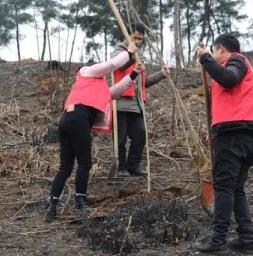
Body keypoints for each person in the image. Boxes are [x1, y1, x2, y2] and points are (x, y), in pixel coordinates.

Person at [44, 42, 144, 222]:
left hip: (67, 119)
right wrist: (129, 53)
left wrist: (134, 72)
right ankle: (80, 201)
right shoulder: (85, 72)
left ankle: (52, 204)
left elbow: (115, 91)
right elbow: (112, 65)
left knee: (65, 167)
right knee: (84, 163)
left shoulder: (96, 87)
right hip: (78, 118)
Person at [192, 34, 253, 255]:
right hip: (241, 134)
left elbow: (228, 78)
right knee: (236, 188)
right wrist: (216, 132)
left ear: (221, 49)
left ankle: (217, 241)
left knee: (224, 187)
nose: (214, 57)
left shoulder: (236, 60)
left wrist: (205, 58)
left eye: (214, 52)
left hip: (236, 135)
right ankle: (247, 239)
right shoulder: (232, 69)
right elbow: (230, 103)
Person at [112, 23, 170, 177]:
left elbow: (143, 82)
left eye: (140, 39)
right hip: (121, 103)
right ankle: (121, 167)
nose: (138, 41)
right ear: (127, 35)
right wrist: (131, 55)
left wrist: (161, 74)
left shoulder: (140, 55)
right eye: (135, 38)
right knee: (121, 138)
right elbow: (118, 65)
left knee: (140, 134)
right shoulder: (119, 50)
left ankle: (133, 166)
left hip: (137, 105)